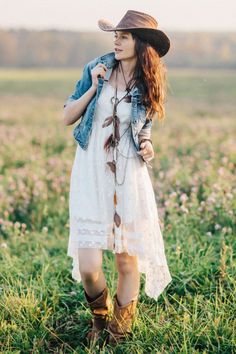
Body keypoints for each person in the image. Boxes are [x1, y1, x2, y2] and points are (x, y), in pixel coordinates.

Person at [63, 9, 172, 347]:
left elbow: (145, 127)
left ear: (141, 43)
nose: (116, 40)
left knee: (127, 260)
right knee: (89, 267)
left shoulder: (147, 80)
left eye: (124, 36)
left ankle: (117, 333)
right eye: (116, 35)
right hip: (91, 172)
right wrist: (93, 88)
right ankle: (99, 314)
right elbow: (67, 116)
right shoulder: (97, 68)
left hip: (128, 176)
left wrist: (148, 143)